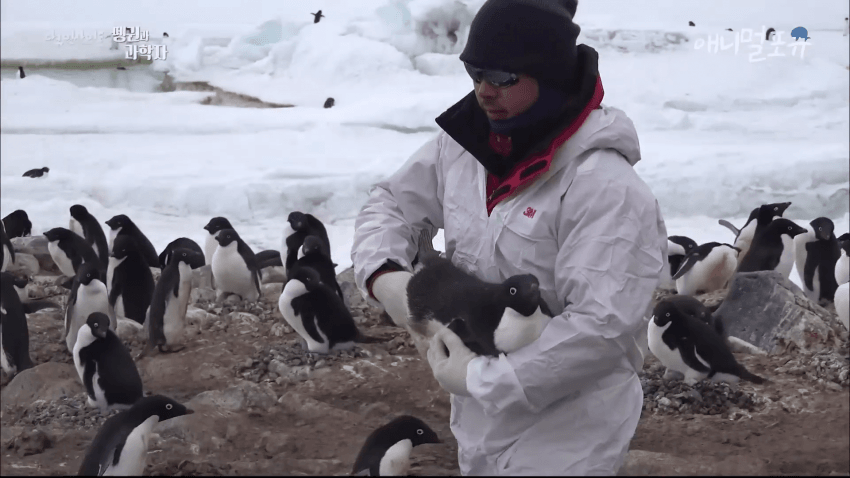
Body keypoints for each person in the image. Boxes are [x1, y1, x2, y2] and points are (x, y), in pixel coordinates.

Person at [350, 0, 668, 474]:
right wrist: (386, 279)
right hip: (476, 419)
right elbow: (391, 203)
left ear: (549, 74)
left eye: (502, 77)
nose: (483, 90)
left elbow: (602, 325)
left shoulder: (604, 186)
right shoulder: (464, 148)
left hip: (570, 426)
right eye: (474, 72)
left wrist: (483, 377)